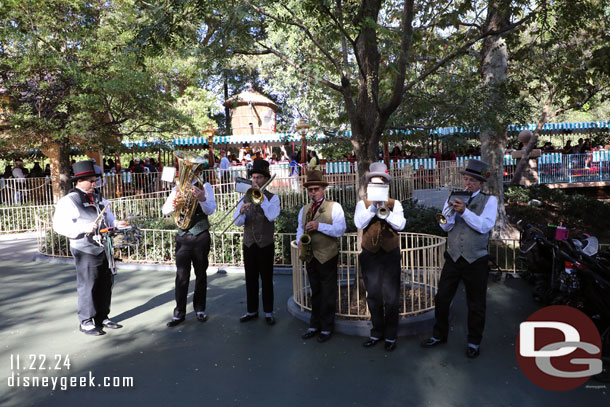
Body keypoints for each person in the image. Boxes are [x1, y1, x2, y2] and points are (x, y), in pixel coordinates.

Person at [421, 159, 498, 358]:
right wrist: (450, 213)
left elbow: (484, 226)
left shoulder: (489, 200)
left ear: (480, 183)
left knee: (476, 303)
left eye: (472, 180)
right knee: (442, 298)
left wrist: (464, 211)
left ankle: (473, 342)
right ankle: (439, 335)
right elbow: (444, 226)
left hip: (476, 260)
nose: (467, 183)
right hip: (453, 257)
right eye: (466, 179)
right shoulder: (452, 197)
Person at [52, 160, 127, 336]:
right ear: (80, 181)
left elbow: (109, 218)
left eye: (95, 181)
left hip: (104, 247)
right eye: (91, 181)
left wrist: (117, 223)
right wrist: (82, 228)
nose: (95, 184)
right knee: (88, 285)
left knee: (105, 283)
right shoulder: (68, 201)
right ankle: (85, 321)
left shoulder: (100, 197)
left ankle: (102, 317)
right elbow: (59, 226)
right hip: (84, 248)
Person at [354, 163, 406, 352]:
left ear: (386, 185)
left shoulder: (395, 203)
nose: (376, 186)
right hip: (370, 255)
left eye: (380, 184)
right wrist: (373, 209)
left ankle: (391, 336)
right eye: (373, 184)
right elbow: (359, 222)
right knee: (374, 296)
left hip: (390, 254)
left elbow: (400, 225)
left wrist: (386, 212)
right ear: (369, 186)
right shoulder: (363, 204)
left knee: (391, 297)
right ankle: (377, 332)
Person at [162, 163, 216, 327]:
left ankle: (200, 309)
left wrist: (202, 199)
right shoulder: (177, 188)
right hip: (183, 236)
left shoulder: (205, 186)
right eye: (187, 170)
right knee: (181, 276)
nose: (189, 174)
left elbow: (211, 209)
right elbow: (165, 210)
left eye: (193, 171)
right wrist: (174, 204)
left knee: (201, 274)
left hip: (200, 236)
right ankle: (179, 313)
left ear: (198, 172)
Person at [296, 170, 346, 343]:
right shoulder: (305, 209)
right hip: (310, 255)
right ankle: (314, 325)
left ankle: (326, 328)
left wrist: (319, 226)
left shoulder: (335, 207)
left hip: (327, 255)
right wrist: (299, 241)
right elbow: (299, 229)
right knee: (315, 292)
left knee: (328, 292)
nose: (313, 192)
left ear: (323, 189)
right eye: (310, 190)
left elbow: (340, 230)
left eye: (316, 189)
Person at [233, 159, 281, 325]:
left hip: (265, 244)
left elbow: (272, 216)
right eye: (253, 177)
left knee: (267, 279)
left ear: (265, 179)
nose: (256, 181)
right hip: (249, 244)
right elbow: (238, 223)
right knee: (250, 278)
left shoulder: (273, 198)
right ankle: (251, 311)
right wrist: (241, 211)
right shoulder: (244, 198)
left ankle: (268, 312)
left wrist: (262, 200)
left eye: (259, 177)